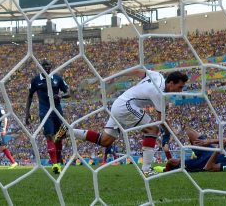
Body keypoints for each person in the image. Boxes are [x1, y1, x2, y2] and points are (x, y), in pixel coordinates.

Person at [56, 69, 189, 177]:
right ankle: (147, 169)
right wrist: (172, 133)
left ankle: (68, 131)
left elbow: (138, 71)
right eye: (179, 87)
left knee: (105, 141)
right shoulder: (159, 93)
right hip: (126, 106)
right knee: (153, 129)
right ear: (171, 83)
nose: (180, 90)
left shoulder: (158, 76)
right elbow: (162, 120)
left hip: (119, 103)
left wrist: (116, 74)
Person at [25, 60, 70, 173]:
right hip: (45, 111)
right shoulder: (36, 80)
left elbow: (68, 92)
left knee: (59, 136)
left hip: (57, 111)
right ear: (40, 67)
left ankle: (58, 161)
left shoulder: (57, 78)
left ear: (51, 66)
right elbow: (30, 96)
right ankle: (55, 164)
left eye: (48, 65)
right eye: (44, 65)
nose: (46, 67)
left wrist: (61, 96)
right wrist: (27, 113)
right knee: (49, 135)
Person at [161, 129, 226, 172]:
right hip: (210, 151)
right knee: (190, 132)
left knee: (171, 162)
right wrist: (208, 142)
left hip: (204, 162)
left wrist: (218, 150)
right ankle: (196, 152)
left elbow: (209, 167)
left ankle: (167, 172)